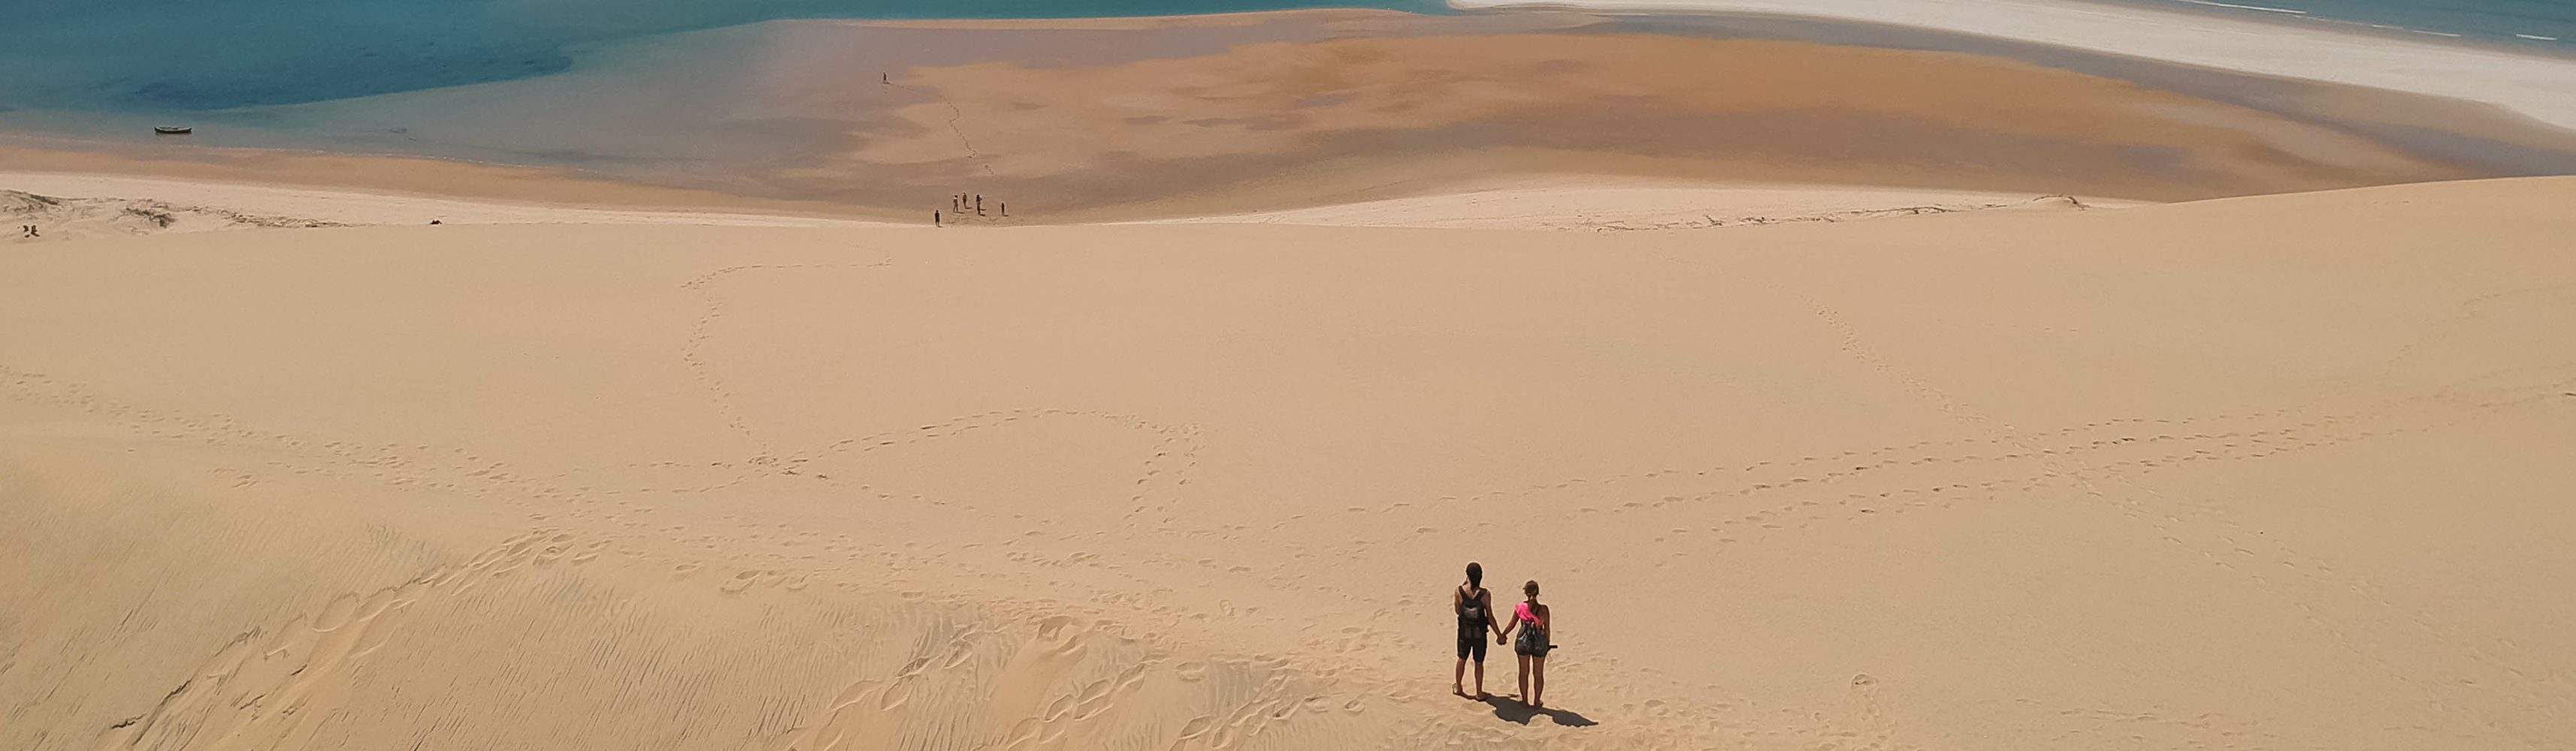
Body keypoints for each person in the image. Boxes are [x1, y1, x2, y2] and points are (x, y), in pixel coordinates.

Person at [1498, 579, 1553, 707]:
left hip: (1523, 642)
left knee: (1523, 672)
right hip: (1539, 643)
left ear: (1525, 593)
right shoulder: (1544, 609)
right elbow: (1548, 629)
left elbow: (1512, 624)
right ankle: (1537, 701)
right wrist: (1547, 643)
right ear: (1538, 593)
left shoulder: (1520, 607)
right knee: (1538, 674)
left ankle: (1524, 701)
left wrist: (1502, 635)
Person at [1452, 562, 1501, 698]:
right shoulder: (1485, 594)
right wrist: (1499, 635)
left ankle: (1459, 687)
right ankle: (1479, 692)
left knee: (1462, 658)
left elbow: (1457, 611)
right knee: (1479, 662)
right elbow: (1490, 617)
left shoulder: (1458, 591)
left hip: (1464, 633)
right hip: (1480, 634)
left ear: (1467, 575)